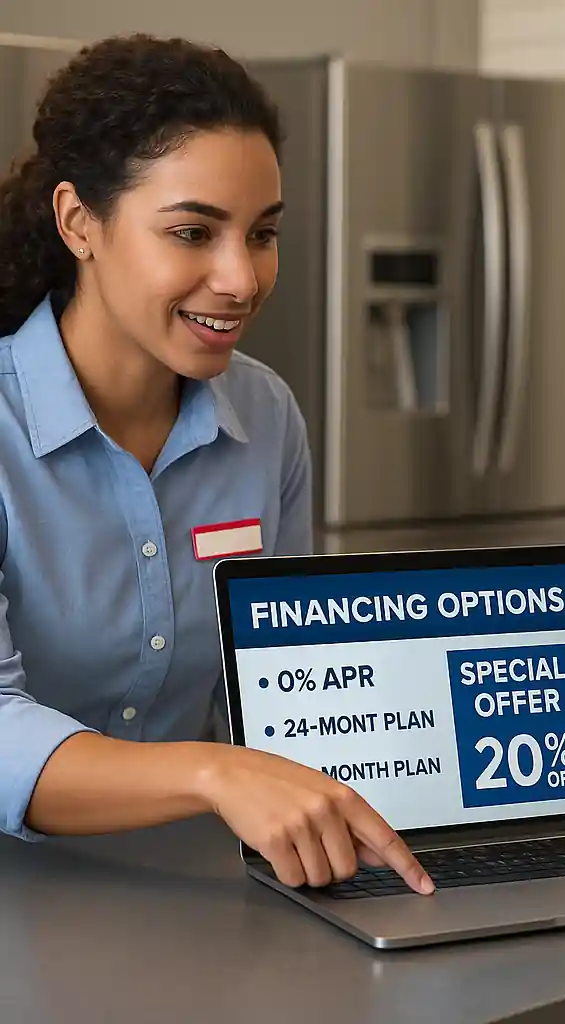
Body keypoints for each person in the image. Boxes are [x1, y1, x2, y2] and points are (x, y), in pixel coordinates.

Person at [0, 34, 433, 898]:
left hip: (188, 890)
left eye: (262, 234)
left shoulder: (266, 417)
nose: (240, 277)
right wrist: (211, 774)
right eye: (192, 232)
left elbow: (286, 683)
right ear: (79, 222)